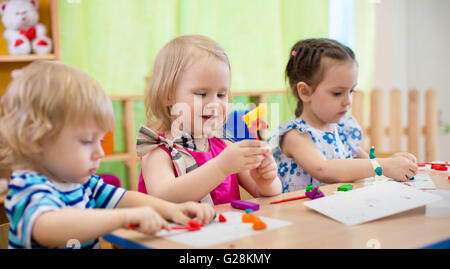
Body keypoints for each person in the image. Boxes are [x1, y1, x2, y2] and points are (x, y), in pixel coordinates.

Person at [0, 61, 215, 249]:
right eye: (86, 141)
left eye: (100, 140)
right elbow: (47, 226)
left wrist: (174, 210)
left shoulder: (83, 183)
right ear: (37, 140)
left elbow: (125, 198)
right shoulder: (27, 186)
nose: (100, 152)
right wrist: (124, 218)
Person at [138, 35, 282, 205]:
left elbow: (264, 194)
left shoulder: (226, 149)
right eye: (201, 94)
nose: (214, 104)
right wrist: (221, 167)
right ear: (168, 96)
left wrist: (266, 180)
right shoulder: (159, 151)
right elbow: (163, 197)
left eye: (221, 94)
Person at [268, 38, 418, 193]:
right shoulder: (295, 135)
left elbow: (369, 166)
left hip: (338, 210)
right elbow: (323, 169)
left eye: (351, 91)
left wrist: (392, 163)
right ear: (305, 92)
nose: (348, 101)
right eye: (338, 93)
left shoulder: (343, 130)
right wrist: (384, 165)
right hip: (299, 213)